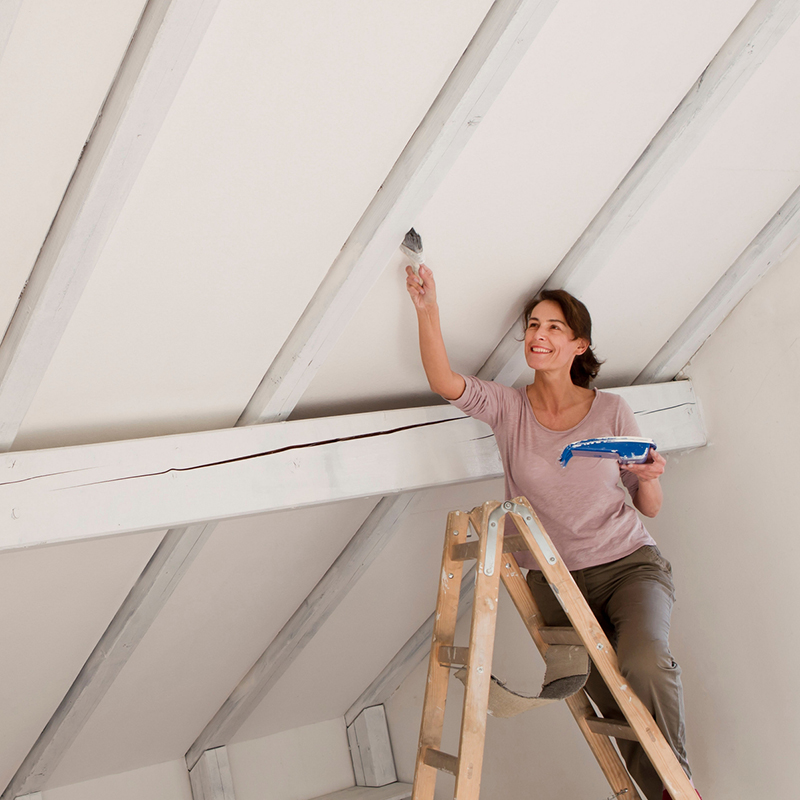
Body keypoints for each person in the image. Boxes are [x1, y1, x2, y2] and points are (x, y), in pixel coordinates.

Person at [405, 263, 694, 800]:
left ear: (579, 344)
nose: (538, 336)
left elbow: (648, 507)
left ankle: (678, 788)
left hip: (629, 564)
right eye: (533, 326)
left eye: (553, 327)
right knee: (610, 698)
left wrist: (651, 477)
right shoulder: (510, 408)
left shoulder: (611, 410)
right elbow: (446, 382)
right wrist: (428, 310)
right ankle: (664, 794)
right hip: (556, 583)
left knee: (644, 663)